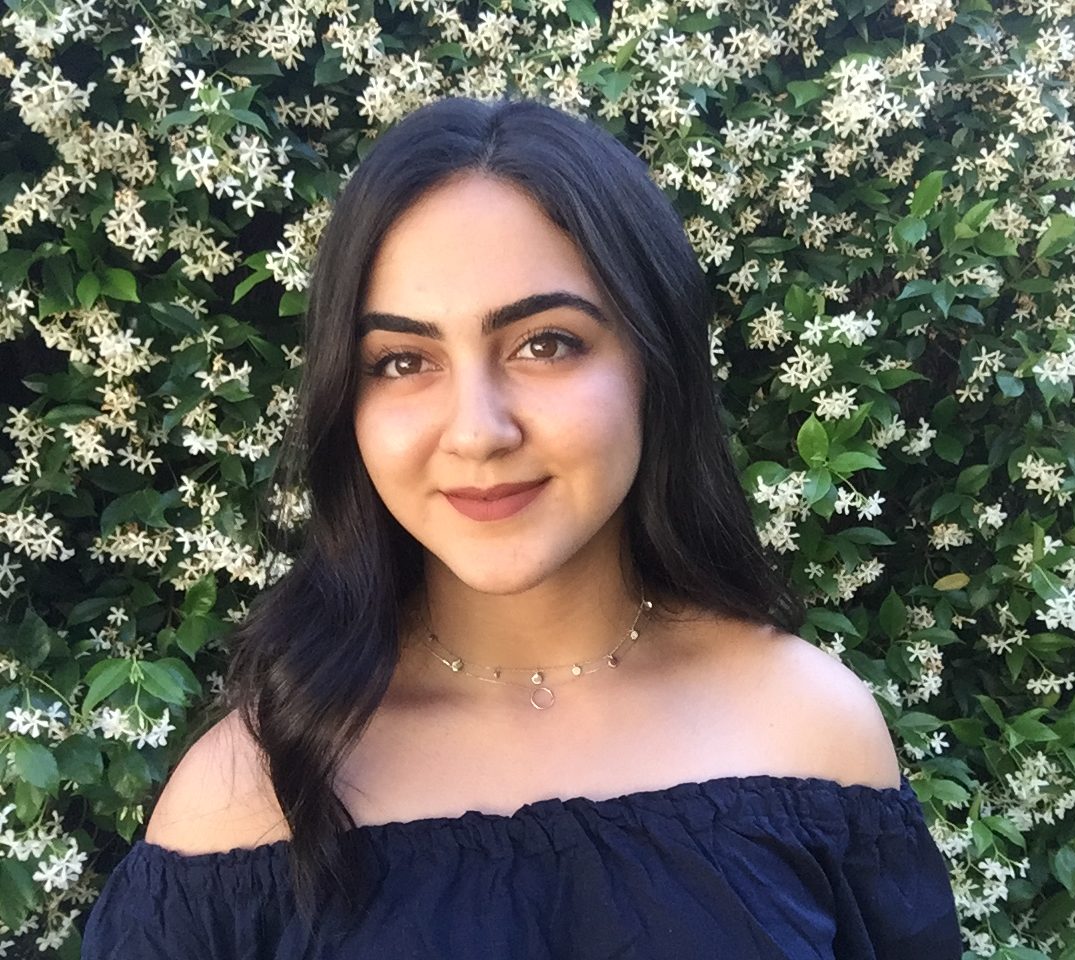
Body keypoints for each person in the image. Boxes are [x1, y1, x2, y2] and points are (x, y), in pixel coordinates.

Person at [80, 94, 964, 959]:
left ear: (656, 362)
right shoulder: (250, 798)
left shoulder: (807, 730)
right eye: (402, 360)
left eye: (545, 343)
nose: (477, 432)